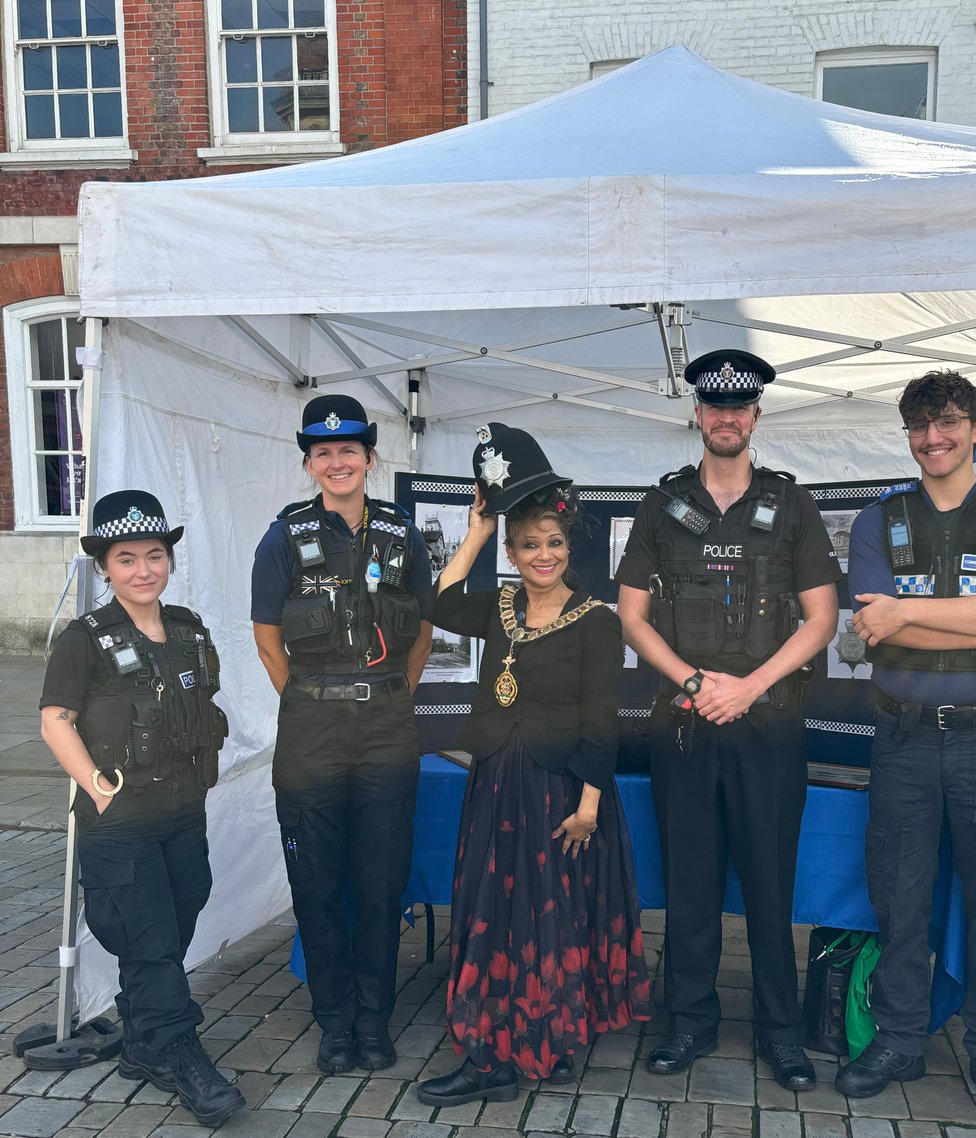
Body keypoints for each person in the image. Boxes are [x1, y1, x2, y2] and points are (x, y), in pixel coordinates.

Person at [615, 351, 841, 1090]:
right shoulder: (661, 505)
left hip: (768, 724)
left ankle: (780, 1034)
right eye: (715, 406)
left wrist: (748, 688)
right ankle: (689, 1023)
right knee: (690, 886)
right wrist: (692, 679)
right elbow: (632, 615)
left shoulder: (793, 506)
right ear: (698, 415)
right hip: (682, 724)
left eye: (739, 408)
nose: (726, 418)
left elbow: (821, 620)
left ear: (756, 418)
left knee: (772, 889)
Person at [417, 423, 652, 1107]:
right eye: (528, 545)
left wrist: (588, 806)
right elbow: (439, 603)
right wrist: (476, 534)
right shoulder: (499, 604)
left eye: (553, 543)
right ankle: (500, 1041)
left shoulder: (596, 620)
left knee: (543, 919)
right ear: (513, 551)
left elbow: (599, 722)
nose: (542, 555)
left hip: (557, 792)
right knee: (497, 911)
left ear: (568, 544)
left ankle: (532, 1040)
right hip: (495, 779)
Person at [838, 370, 976, 1120]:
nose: (934, 438)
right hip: (901, 739)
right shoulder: (878, 519)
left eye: (949, 422)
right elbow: (871, 624)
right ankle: (898, 1039)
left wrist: (914, 615)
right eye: (920, 426)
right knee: (899, 898)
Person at [39, 491, 243, 1127]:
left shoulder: (187, 629)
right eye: (126, 559)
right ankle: (177, 1050)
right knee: (151, 938)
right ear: (105, 567)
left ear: (170, 560)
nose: (143, 569)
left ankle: (143, 1041)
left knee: (179, 918)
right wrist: (98, 788)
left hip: (184, 809)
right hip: (120, 819)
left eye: (154, 555)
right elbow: (55, 722)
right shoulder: (85, 639)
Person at [251, 394, 434, 1074]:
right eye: (323, 452)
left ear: (369, 458)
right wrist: (310, 702)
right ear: (309, 462)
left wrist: (390, 697)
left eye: (348, 450)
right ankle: (334, 1020)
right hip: (311, 732)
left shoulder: (402, 534)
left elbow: (423, 630)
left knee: (380, 883)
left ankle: (373, 1017)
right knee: (317, 881)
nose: (337, 461)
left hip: (385, 728)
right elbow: (268, 638)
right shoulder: (284, 536)